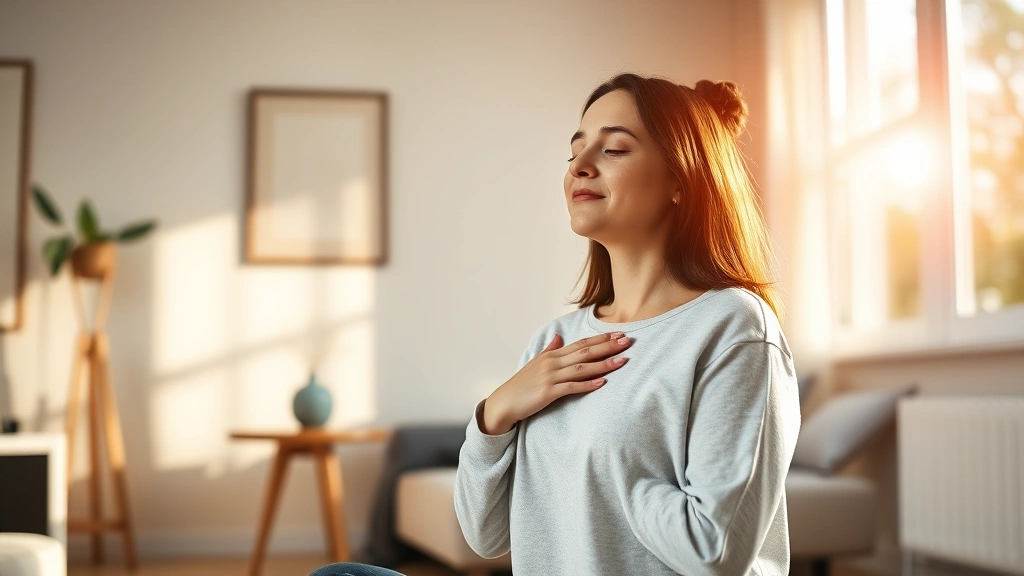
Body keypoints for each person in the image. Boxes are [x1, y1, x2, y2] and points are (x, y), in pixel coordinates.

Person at [453, 73, 801, 575]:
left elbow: (714, 551)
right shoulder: (554, 342)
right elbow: (486, 537)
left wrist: (601, 465)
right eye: (575, 152)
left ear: (681, 179)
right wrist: (494, 414)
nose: (580, 167)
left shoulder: (733, 327)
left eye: (614, 149)